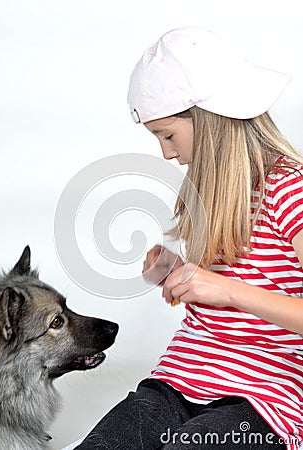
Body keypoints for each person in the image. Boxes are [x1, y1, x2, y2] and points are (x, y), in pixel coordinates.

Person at [76, 27, 303, 450]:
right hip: (177, 382)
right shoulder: (211, 194)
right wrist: (179, 273)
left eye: (167, 135)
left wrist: (229, 291)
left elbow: (236, 292)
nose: (165, 153)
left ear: (210, 121)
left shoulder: (290, 191)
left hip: (263, 400)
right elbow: (237, 282)